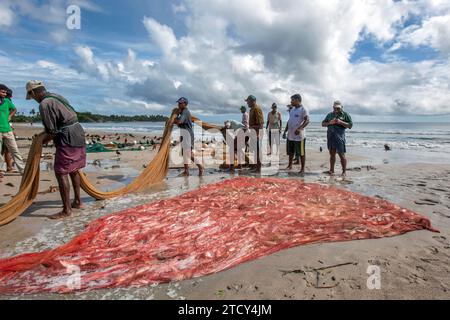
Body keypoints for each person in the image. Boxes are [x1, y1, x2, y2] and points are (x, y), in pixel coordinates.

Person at [26, 80, 87, 219]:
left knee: (61, 172)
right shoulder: (57, 96)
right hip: (78, 132)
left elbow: (52, 131)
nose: (33, 100)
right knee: (73, 169)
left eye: (32, 96)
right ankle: (77, 201)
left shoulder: (44, 104)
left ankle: (67, 211)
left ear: (33, 92)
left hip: (67, 137)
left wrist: (40, 143)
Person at [0, 84, 25, 182]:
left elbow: (14, 109)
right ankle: (0, 171)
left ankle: (23, 170)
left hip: (8, 130)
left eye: (5, 92)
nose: (5, 94)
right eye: (3, 92)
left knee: (15, 150)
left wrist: (10, 116)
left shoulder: (7, 101)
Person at [322, 100, 353, 177]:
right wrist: (330, 123)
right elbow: (323, 124)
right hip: (330, 137)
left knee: (341, 155)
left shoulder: (345, 115)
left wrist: (340, 122)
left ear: (341, 107)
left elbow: (350, 125)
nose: (337, 110)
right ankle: (331, 170)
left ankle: (344, 171)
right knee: (332, 154)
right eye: (335, 108)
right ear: (333, 107)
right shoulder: (329, 115)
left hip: (339, 138)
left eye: (338, 108)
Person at [174, 97, 204, 176]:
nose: (179, 104)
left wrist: (174, 119)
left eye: (180, 103)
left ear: (185, 104)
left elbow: (179, 122)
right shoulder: (183, 112)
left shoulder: (185, 112)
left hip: (187, 135)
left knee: (188, 153)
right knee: (184, 154)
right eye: (178, 103)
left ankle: (200, 167)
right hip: (184, 134)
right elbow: (180, 124)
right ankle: (186, 171)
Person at [284, 94, 310, 174]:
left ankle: (302, 169)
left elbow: (307, 120)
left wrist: (300, 128)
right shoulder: (292, 109)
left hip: (299, 136)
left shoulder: (303, 109)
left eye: (292, 100)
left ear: (298, 100)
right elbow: (289, 121)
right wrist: (285, 131)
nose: (291, 101)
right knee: (291, 152)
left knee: (301, 152)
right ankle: (290, 165)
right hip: (290, 135)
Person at [246, 95, 264, 172]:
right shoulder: (251, 110)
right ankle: (255, 165)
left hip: (257, 133)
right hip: (253, 132)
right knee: (254, 150)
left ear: (253, 101)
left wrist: (252, 128)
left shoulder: (257, 109)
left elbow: (261, 125)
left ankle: (258, 167)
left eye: (248, 101)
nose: (247, 103)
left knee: (257, 150)